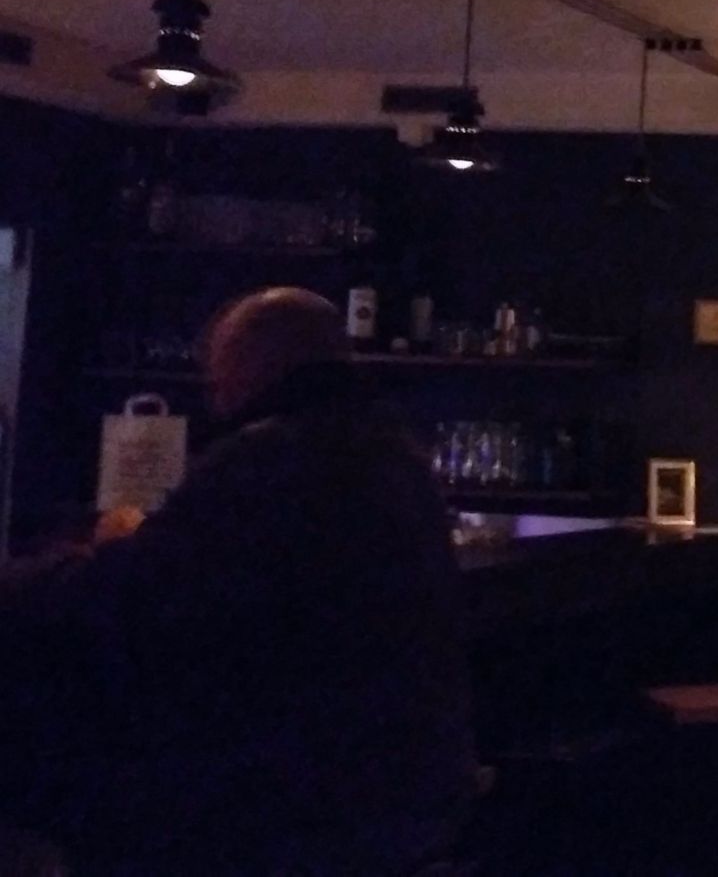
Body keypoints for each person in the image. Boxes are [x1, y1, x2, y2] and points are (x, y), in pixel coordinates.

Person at [0, 288, 475, 874]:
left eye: (217, 374)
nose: (213, 393)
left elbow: (136, 594)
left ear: (253, 364)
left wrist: (27, 579)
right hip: (405, 784)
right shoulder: (392, 450)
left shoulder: (272, 455)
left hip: (301, 804)